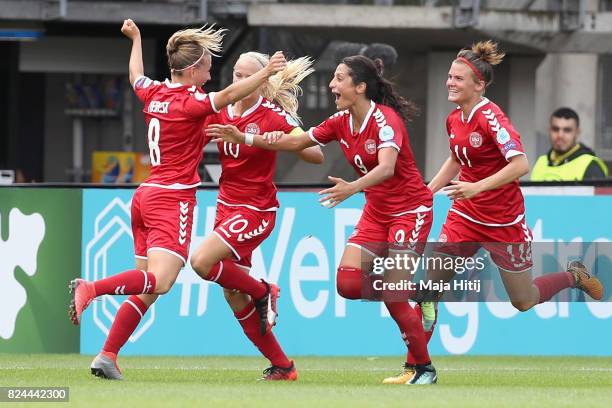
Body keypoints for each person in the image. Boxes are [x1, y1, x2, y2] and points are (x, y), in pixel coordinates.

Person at [68, 19, 287, 380]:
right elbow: (230, 96)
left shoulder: (153, 92)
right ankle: (91, 288)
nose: (211, 71)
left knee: (146, 286)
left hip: (143, 196)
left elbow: (135, 74)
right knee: (162, 281)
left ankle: (107, 355)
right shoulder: (192, 103)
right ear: (190, 70)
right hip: (172, 199)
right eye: (206, 65)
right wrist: (265, 72)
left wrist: (136, 39)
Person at [207, 55, 438, 385]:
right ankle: (419, 294)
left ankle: (422, 368)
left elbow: (387, 167)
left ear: (360, 87)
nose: (332, 85)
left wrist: (352, 188)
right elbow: (300, 141)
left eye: (340, 79)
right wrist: (245, 138)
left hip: (410, 211)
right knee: (347, 284)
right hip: (377, 211)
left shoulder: (386, 121)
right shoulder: (340, 121)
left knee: (392, 290)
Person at [421, 41, 604, 342]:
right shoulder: (454, 118)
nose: (449, 83)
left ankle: (574, 276)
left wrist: (476, 187)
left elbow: (521, 164)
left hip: (503, 223)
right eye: (449, 76)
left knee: (523, 300)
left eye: (457, 78)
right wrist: (428, 192)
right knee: (430, 284)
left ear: (478, 85)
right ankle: (419, 362)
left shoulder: (492, 118)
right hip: (465, 216)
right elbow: (457, 157)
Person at [189, 51, 323, 381]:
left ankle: (264, 290)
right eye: (235, 74)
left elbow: (316, 154)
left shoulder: (273, 116)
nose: (239, 81)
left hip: (256, 210)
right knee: (233, 293)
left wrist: (277, 142)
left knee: (201, 261)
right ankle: (283, 366)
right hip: (226, 207)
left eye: (247, 75)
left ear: (263, 82)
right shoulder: (219, 109)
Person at [531, 107, 608, 181]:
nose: (560, 135)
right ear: (549, 130)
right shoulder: (541, 162)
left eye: (567, 130)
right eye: (555, 129)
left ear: (577, 133)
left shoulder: (591, 165)